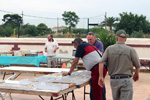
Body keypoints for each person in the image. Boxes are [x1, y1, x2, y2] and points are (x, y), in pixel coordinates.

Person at [98, 30, 140, 100]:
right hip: (126, 80)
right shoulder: (131, 50)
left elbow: (101, 62)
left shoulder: (109, 49)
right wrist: (136, 73)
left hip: (114, 80)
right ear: (125, 39)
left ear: (116, 38)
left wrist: (101, 76)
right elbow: (137, 66)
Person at [87, 32, 106, 100]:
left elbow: (100, 55)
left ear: (94, 38)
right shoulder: (88, 44)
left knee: (100, 83)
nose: (89, 41)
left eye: (90, 39)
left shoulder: (99, 44)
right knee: (94, 85)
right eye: (88, 39)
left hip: (100, 66)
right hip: (92, 67)